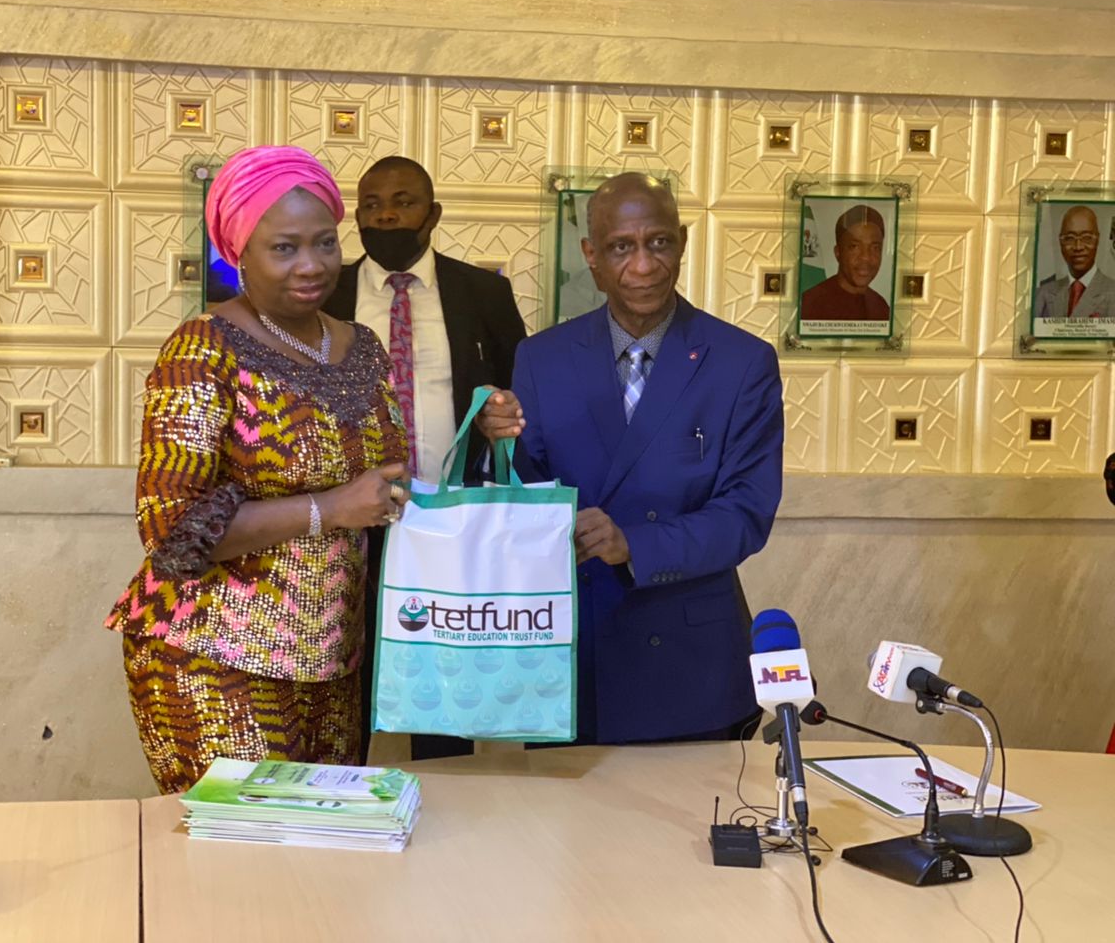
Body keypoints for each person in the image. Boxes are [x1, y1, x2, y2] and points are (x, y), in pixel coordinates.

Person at [104, 146, 409, 794]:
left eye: (325, 243)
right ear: (238, 251)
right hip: (215, 653)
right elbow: (174, 531)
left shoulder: (362, 349)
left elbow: (384, 480)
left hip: (333, 659)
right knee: (239, 863)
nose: (311, 265)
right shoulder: (202, 350)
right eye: (285, 248)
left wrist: (486, 431)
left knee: (321, 862)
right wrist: (330, 509)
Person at [477, 173, 783, 745]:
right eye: (622, 246)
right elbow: (530, 497)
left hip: (689, 670)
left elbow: (746, 513)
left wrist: (634, 545)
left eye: (659, 242)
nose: (643, 266)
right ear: (592, 256)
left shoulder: (742, 362)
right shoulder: (541, 358)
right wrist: (499, 444)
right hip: (572, 660)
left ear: (683, 242)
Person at [324, 155, 527, 761]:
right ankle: (343, 794)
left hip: (446, 520)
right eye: (371, 204)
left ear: (433, 214)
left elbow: (519, 390)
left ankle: (450, 813)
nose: (386, 213)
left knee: (444, 687)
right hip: (349, 522)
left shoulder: (482, 292)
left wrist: (504, 418)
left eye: (404, 201)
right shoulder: (323, 292)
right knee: (346, 678)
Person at [800, 204, 890, 322]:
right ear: (838, 253)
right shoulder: (810, 304)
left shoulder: (880, 307)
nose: (866, 257)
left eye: (875, 248)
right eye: (854, 247)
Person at [1033, 205, 1115, 319]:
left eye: (1086, 237)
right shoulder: (1042, 294)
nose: (1078, 246)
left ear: (1097, 240)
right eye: (1070, 238)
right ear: (1061, 242)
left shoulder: (1112, 291)